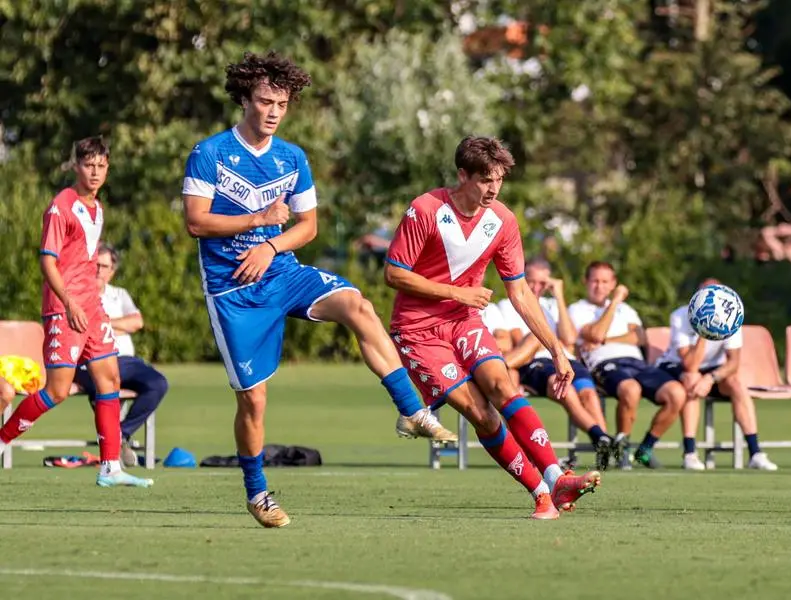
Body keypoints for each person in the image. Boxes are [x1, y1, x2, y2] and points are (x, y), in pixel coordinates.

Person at [182, 51, 453, 528]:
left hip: (283, 273)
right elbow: (195, 221)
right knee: (254, 401)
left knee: (357, 304)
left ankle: (410, 410)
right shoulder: (210, 153)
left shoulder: (293, 157)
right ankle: (256, 492)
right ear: (244, 99)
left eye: (281, 104)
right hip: (234, 291)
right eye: (265, 101)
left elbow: (308, 227)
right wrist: (258, 221)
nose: (272, 111)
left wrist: (270, 246)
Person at [384, 135, 602, 520]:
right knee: (482, 414)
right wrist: (458, 293)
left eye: (499, 179)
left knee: (504, 385)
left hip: (463, 321)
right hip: (417, 331)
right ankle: (540, 493)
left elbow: (520, 292)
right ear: (462, 175)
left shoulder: (502, 221)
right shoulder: (426, 209)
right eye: (485, 179)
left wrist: (555, 349)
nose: (494, 188)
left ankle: (557, 478)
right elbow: (394, 274)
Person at [0, 137, 152, 488]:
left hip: (91, 309)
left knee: (110, 379)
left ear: (107, 168)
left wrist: (90, 305)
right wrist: (69, 303)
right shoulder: (61, 206)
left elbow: (83, 263)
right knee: (57, 391)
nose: (95, 172)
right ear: (76, 166)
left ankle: (110, 467)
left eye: (101, 166)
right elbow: (48, 262)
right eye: (88, 165)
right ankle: (3, 439)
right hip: (64, 310)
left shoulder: (98, 208)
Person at [497, 258, 614, 470]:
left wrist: (559, 295)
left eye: (542, 283)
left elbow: (568, 339)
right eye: (531, 281)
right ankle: (599, 436)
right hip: (537, 362)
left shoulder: (552, 306)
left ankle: (604, 447)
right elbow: (519, 340)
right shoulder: (510, 303)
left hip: (565, 358)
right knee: (566, 390)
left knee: (589, 394)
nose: (536, 288)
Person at [569, 261, 686, 469]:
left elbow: (640, 337)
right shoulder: (578, 309)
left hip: (636, 363)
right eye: (595, 281)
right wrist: (614, 303)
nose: (599, 286)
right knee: (631, 389)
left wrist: (605, 340)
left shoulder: (627, 309)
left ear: (613, 283)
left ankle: (645, 450)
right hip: (604, 364)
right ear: (585, 282)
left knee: (677, 393)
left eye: (605, 281)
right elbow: (595, 333)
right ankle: (621, 448)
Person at [655, 278, 779, 471]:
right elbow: (689, 364)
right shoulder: (680, 316)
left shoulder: (730, 317)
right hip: (677, 367)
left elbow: (733, 363)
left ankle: (756, 453)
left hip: (712, 371)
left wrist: (711, 378)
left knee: (736, 384)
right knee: (692, 380)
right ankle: (690, 453)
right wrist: (703, 330)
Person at [73, 242, 169, 467]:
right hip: (90, 360)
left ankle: (119, 434)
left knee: (158, 384)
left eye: (104, 266)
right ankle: (113, 441)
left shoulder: (119, 294)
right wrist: (115, 326)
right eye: (95, 265)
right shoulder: (77, 293)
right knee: (103, 385)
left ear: (112, 271)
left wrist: (103, 323)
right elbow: (80, 328)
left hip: (125, 360)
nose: (98, 270)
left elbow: (137, 322)